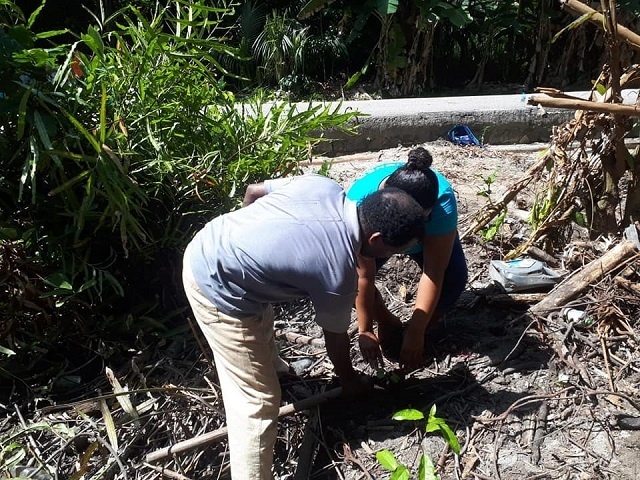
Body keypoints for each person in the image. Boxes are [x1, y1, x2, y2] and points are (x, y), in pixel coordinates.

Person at [182, 173, 425, 480]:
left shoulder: (321, 185)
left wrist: (248, 246)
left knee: (261, 318)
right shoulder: (337, 271)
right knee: (257, 403)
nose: (388, 257)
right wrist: (349, 382)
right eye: (392, 251)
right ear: (375, 240)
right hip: (213, 282)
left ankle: (279, 372)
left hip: (214, 240)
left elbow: (253, 191)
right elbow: (335, 340)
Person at [347, 147, 468, 371]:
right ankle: (389, 323)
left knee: (455, 278)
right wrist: (367, 328)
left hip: (421, 239)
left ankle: (416, 330)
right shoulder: (360, 201)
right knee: (348, 278)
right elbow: (363, 276)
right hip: (381, 238)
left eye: (423, 218)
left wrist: (416, 331)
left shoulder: (441, 203)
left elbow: (434, 271)